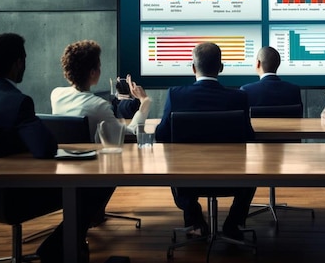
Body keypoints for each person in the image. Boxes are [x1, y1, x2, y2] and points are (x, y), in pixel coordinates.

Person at [0, 33, 113, 263]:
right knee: (94, 186)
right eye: (24, 59)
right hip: (15, 196)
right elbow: (45, 148)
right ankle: (56, 247)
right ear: (17, 63)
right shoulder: (19, 101)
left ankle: (63, 244)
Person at [155, 42, 256, 240]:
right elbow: (249, 138)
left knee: (173, 167)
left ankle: (195, 221)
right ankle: (233, 224)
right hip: (233, 181)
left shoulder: (175, 95)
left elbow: (161, 135)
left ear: (193, 67)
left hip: (187, 181)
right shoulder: (239, 97)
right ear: (221, 68)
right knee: (252, 172)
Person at [50, 40, 151, 141]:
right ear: (93, 73)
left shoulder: (56, 95)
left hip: (64, 154)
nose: (100, 70)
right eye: (99, 66)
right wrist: (144, 102)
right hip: (93, 156)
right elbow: (127, 134)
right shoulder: (99, 107)